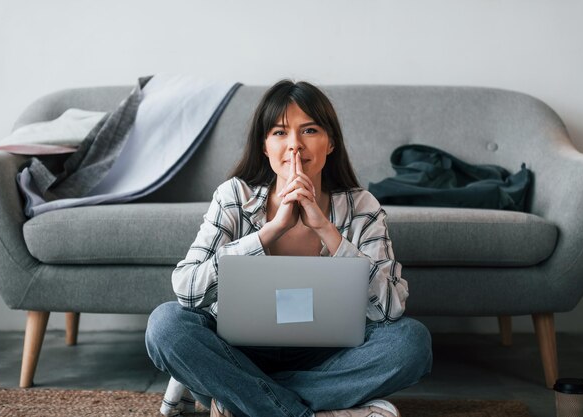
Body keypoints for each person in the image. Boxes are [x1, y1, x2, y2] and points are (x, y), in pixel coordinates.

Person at [145, 80, 433, 417]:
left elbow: (389, 310)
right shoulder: (234, 197)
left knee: (412, 343)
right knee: (166, 325)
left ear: (330, 143)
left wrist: (327, 231)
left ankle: (245, 402)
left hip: (327, 356)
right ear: (265, 146)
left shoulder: (361, 206)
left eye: (309, 130)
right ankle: (313, 409)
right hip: (239, 352)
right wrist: (270, 231)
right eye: (280, 133)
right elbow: (187, 291)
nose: (295, 146)